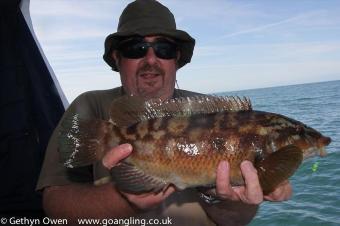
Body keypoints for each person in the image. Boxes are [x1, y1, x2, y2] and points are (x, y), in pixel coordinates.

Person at [37, 0, 292, 225]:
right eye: (135, 48)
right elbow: (55, 207)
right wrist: (125, 198)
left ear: (176, 59)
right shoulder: (89, 108)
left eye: (164, 49)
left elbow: (233, 221)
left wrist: (231, 199)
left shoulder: (218, 115)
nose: (151, 59)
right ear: (117, 58)